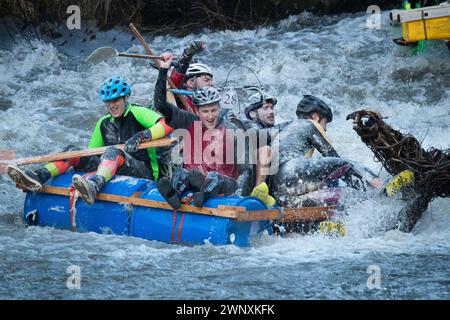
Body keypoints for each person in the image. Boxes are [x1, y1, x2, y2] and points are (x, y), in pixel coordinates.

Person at [7, 76, 173, 205]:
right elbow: (90, 154)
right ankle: (38, 177)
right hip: (114, 164)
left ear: (125, 98)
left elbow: (167, 125)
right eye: (108, 101)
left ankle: (95, 186)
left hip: (144, 171)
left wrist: (142, 136)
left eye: (115, 100)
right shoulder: (103, 123)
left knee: (113, 151)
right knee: (74, 151)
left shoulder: (138, 112)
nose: (112, 105)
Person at [153, 52, 253, 209]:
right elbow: (160, 105)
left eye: (214, 110)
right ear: (197, 111)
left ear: (220, 108)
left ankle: (202, 194)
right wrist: (163, 71)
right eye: (205, 111)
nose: (210, 115)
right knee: (182, 174)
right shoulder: (188, 121)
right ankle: (174, 195)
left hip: (225, 184)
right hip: (195, 178)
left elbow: (246, 172)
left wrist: (239, 199)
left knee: (213, 178)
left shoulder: (234, 131)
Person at [271, 95, 381, 207]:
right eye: (325, 123)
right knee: (346, 165)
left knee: (344, 194)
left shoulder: (284, 127)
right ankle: (380, 188)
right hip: (290, 171)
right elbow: (333, 157)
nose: (325, 129)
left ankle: (333, 222)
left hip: (279, 191)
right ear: (316, 116)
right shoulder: (309, 123)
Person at [168, 41, 213, 112]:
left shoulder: (211, 100)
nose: (212, 84)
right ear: (191, 82)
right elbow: (174, 83)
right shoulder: (180, 98)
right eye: (206, 80)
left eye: (211, 80)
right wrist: (187, 55)